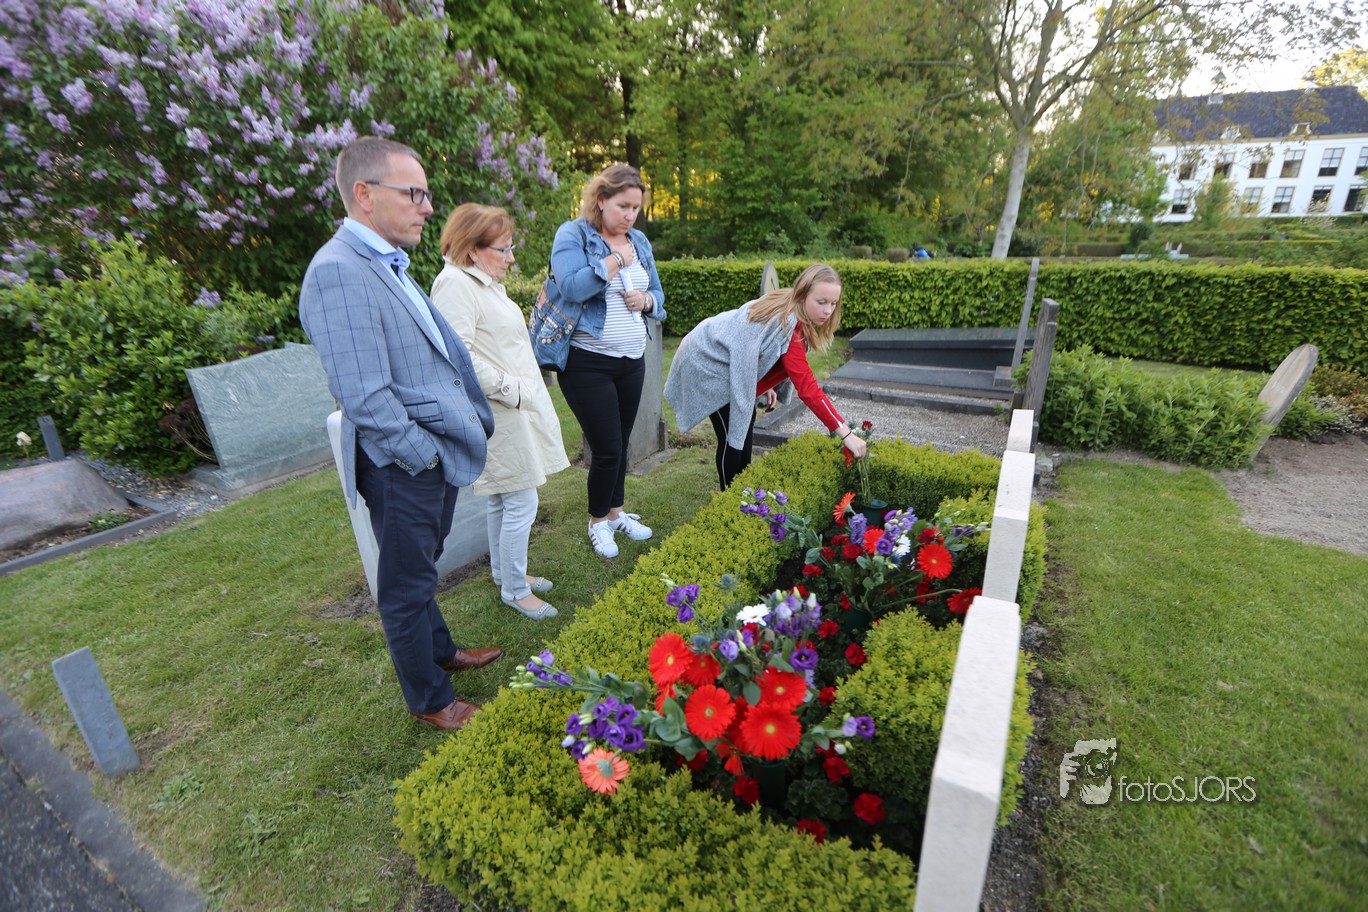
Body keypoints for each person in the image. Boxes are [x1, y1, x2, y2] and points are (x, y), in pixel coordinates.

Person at [299, 136, 502, 732]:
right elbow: (364, 395)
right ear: (364, 195)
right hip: (401, 461)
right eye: (414, 193)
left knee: (420, 568)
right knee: (405, 585)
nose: (427, 207)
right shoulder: (338, 271)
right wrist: (422, 456)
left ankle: (440, 650)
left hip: (425, 451)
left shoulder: (383, 262)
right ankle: (430, 698)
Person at [430, 204, 569, 620]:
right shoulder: (454, 285)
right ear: (473, 249)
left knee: (503, 496)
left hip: (510, 407)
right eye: (504, 249)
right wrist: (511, 389)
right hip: (496, 410)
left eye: (511, 248)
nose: (511, 258)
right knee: (521, 498)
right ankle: (514, 590)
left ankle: (505, 574)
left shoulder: (483, 281)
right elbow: (458, 356)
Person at [664, 263, 868, 491]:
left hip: (719, 355)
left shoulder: (792, 307)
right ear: (802, 294)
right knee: (733, 433)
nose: (828, 310)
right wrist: (846, 434)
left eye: (833, 303)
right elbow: (808, 389)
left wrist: (765, 380)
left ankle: (742, 491)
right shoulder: (789, 327)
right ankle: (729, 496)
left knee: (744, 421)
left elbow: (760, 346)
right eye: (821, 302)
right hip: (706, 361)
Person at [549, 163, 666, 558]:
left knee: (621, 442)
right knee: (608, 448)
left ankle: (616, 513)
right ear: (600, 200)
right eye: (623, 206)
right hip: (587, 363)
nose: (630, 215)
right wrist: (615, 260)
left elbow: (659, 295)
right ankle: (598, 521)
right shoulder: (574, 235)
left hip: (632, 361)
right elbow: (571, 286)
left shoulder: (639, 241)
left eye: (635, 207)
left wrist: (646, 301)